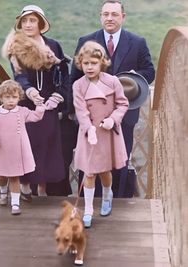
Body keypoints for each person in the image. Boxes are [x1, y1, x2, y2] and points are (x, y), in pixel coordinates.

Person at [70, 0, 155, 198]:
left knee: (119, 158)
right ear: (101, 16)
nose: (109, 18)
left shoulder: (137, 42)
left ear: (122, 17)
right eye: (106, 14)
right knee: (92, 158)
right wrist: (73, 111)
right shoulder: (86, 40)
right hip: (91, 116)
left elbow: (149, 71)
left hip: (123, 114)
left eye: (114, 14)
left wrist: (135, 75)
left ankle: (116, 201)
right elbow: (74, 76)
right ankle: (91, 200)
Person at [2, 5, 72, 198]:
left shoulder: (53, 45)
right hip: (28, 102)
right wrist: (30, 92)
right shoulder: (16, 47)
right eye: (24, 21)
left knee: (48, 143)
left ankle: (42, 189)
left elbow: (63, 72)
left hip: (50, 101)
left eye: (32, 20)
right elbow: (19, 76)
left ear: (40, 23)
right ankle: (25, 185)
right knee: (30, 143)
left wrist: (57, 96)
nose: (28, 24)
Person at [72, 41, 129, 227]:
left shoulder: (112, 81)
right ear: (81, 63)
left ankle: (106, 195)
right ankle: (88, 209)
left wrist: (113, 119)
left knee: (104, 171)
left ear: (102, 63)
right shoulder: (78, 85)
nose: (89, 67)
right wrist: (89, 129)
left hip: (108, 133)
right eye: (85, 63)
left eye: (93, 63)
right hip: (89, 133)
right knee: (89, 173)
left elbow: (123, 104)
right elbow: (81, 111)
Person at [0, 80, 54, 215]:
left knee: (15, 177)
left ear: (19, 97)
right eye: (7, 97)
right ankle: (3, 192)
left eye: (14, 97)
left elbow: (36, 117)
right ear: (1, 98)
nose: (11, 101)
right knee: (3, 175)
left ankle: (15, 204)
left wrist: (39, 106)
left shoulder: (22, 111)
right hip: (2, 150)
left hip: (17, 151)